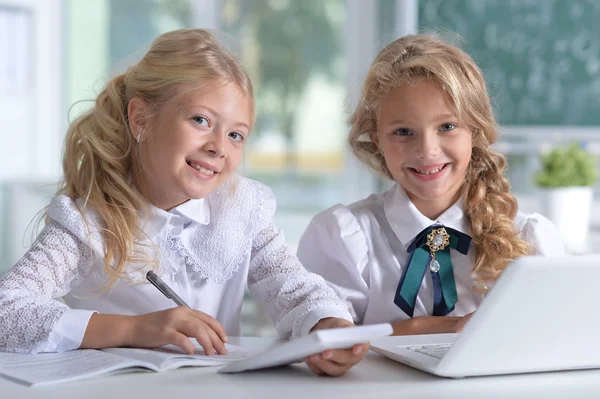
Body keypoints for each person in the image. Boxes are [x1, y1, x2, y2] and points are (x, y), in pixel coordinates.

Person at [0, 29, 366, 377]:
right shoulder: (90, 219)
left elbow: (292, 285)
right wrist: (135, 329)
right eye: (201, 120)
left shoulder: (240, 207)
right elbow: (6, 309)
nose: (219, 146)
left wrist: (328, 324)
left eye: (236, 134)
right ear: (141, 118)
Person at [297, 34, 565, 336]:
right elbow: (321, 344)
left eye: (447, 127)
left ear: (474, 132)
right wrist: (426, 327)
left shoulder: (528, 239)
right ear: (378, 141)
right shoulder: (343, 238)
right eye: (403, 131)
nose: (427, 150)